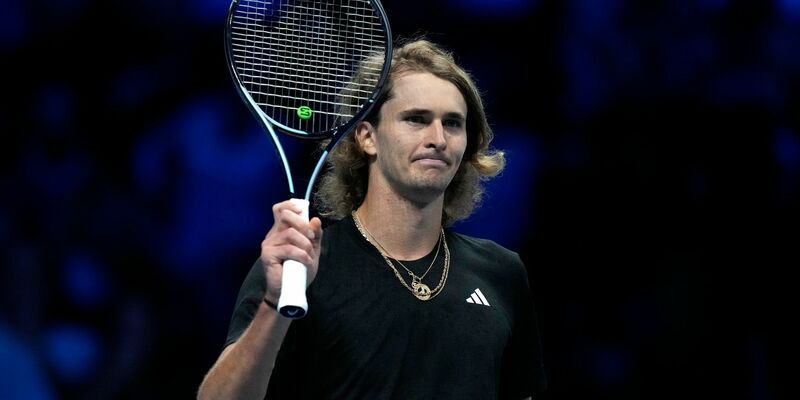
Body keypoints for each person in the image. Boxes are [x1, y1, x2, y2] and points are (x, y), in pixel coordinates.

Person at [197, 37, 547, 400]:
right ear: (367, 137)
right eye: (417, 119)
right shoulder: (301, 269)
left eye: (454, 124)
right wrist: (274, 305)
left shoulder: (501, 272)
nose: (438, 138)